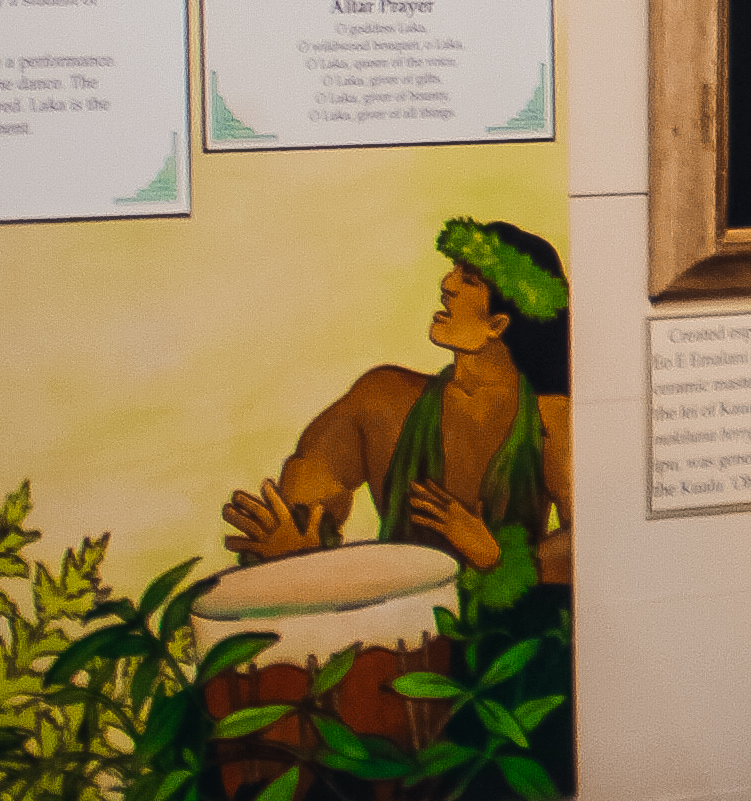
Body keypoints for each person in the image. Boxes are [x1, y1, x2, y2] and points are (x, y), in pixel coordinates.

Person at [224, 216, 573, 586]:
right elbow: (309, 488)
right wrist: (297, 549)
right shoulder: (382, 398)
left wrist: (494, 558)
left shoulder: (551, 419)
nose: (447, 285)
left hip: (509, 634)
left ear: (498, 324)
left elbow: (590, 541)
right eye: (454, 271)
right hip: (397, 630)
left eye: (469, 280)